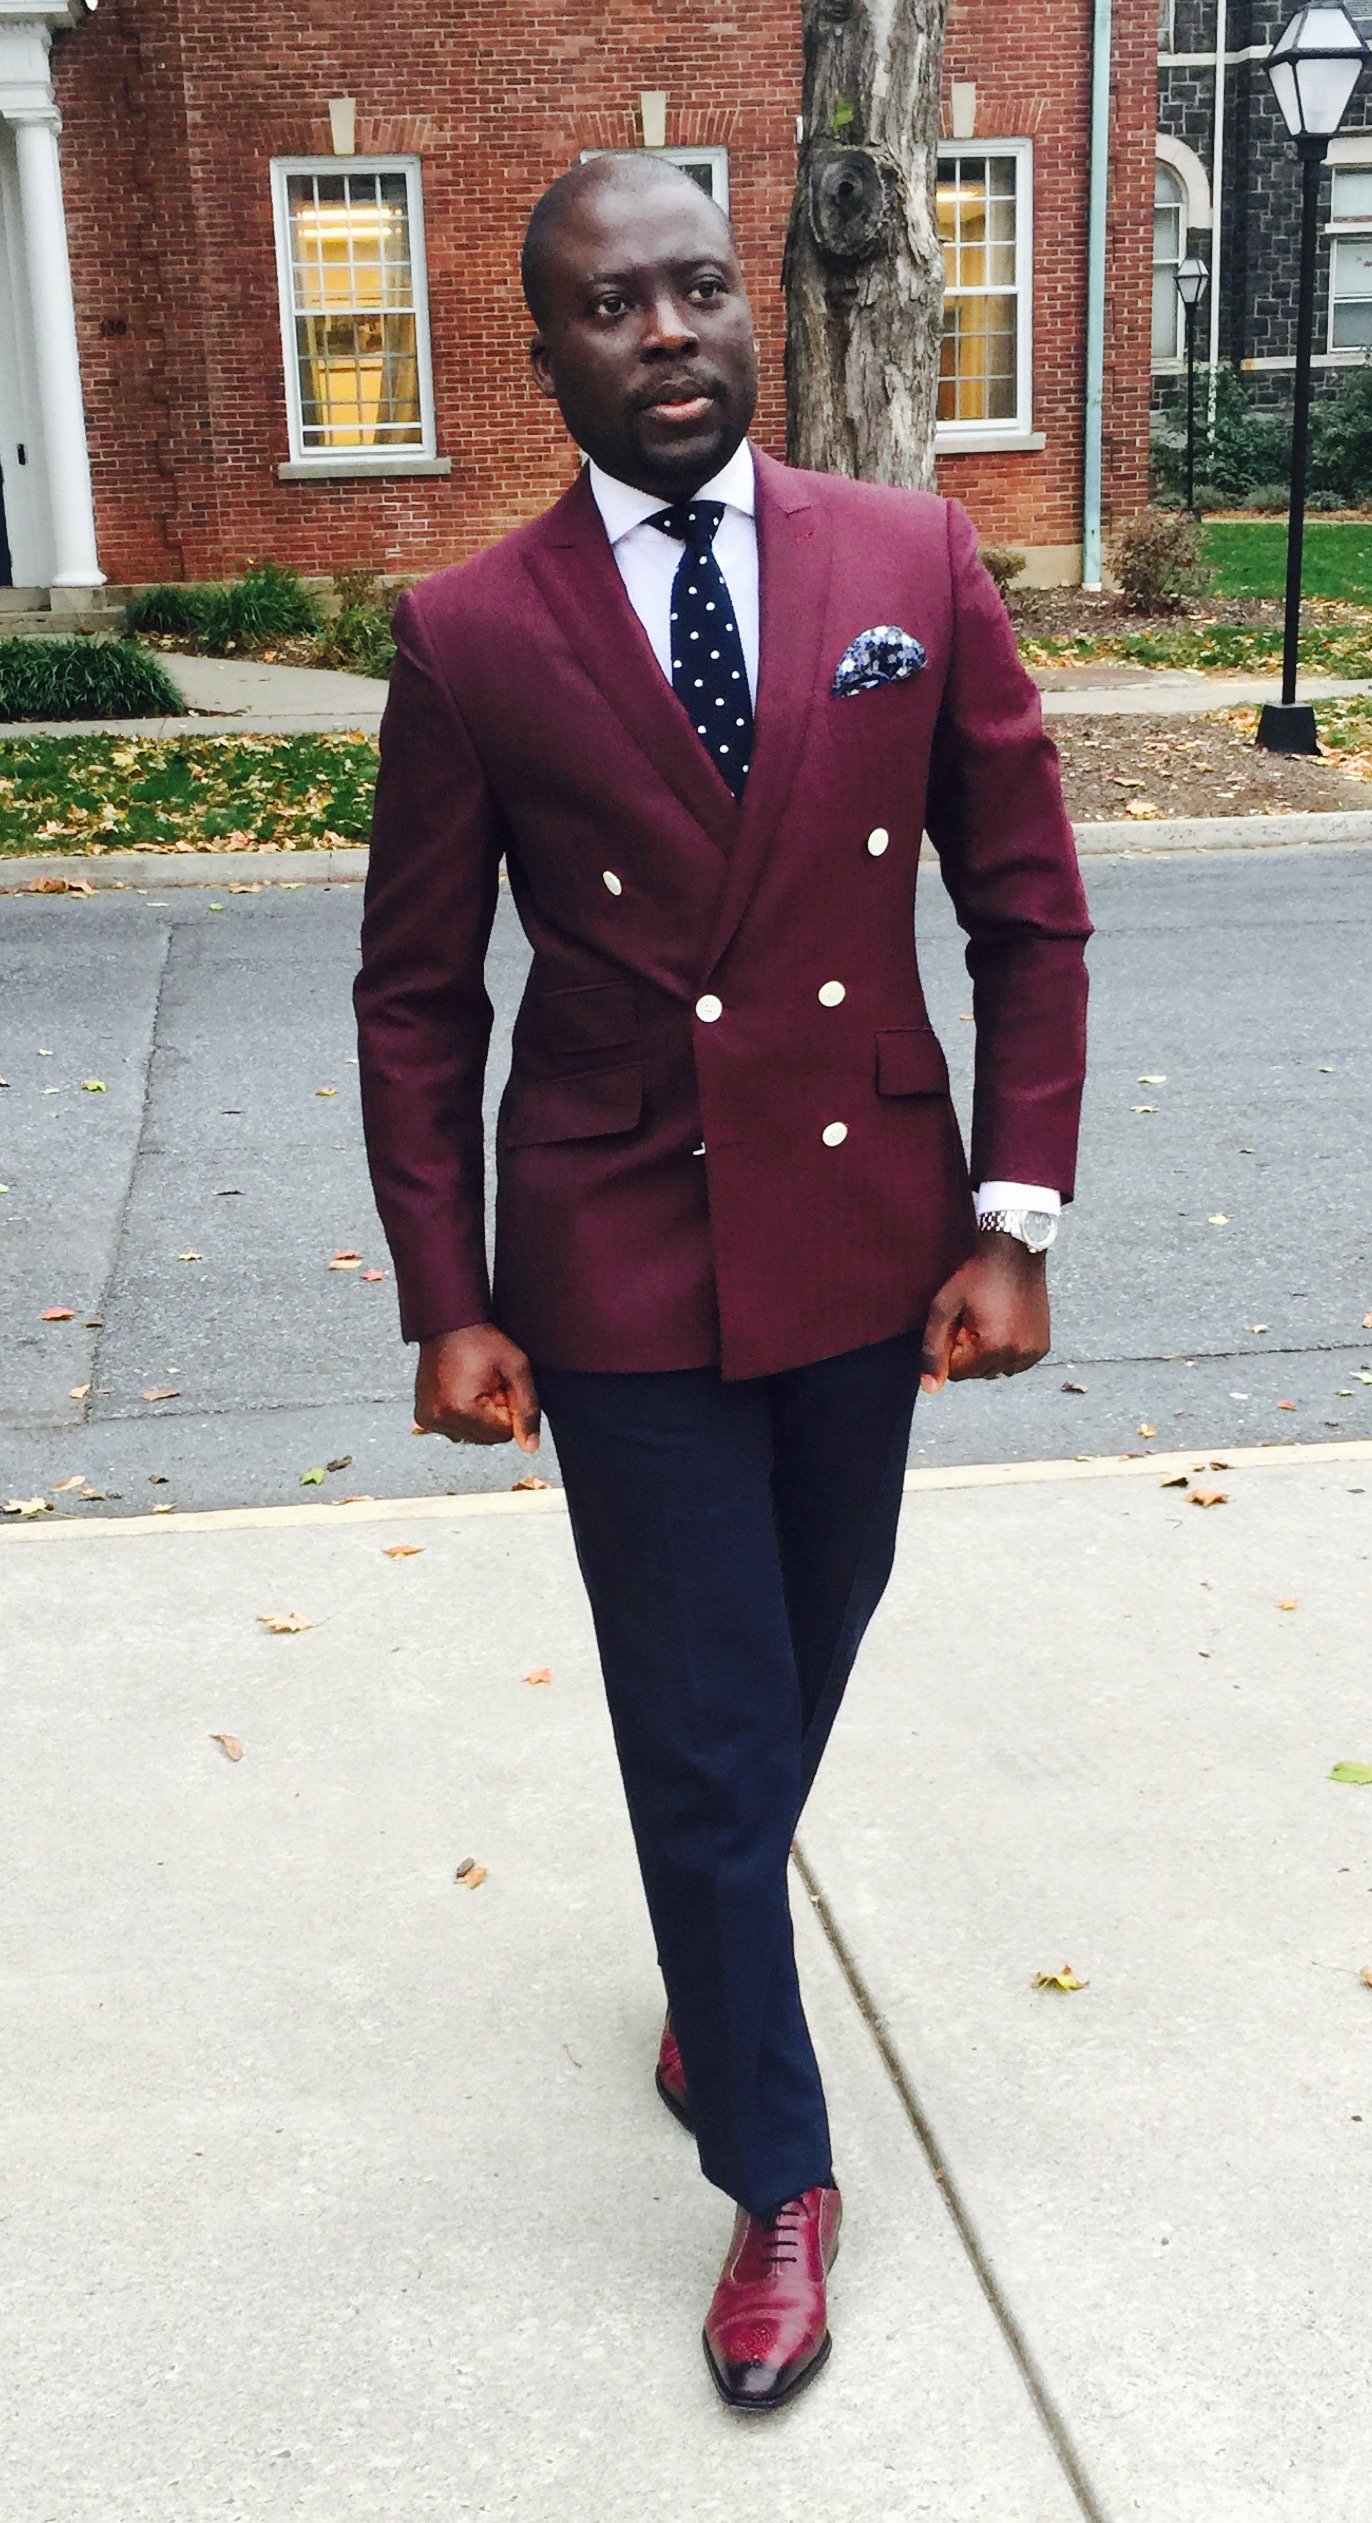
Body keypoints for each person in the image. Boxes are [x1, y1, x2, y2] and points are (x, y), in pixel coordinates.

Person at [355, 152, 1090, 2414]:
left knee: (798, 1653)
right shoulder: (470, 631)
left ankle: (712, 1960)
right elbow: (418, 997)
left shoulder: (908, 558)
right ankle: (776, 2168)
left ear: (749, 314)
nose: (665, 331)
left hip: (872, 1234)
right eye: (611, 305)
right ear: (543, 350)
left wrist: (1015, 1216)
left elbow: (1026, 909)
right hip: (614, 1248)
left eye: (696, 288)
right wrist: (446, 1290)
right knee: (700, 1718)